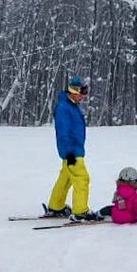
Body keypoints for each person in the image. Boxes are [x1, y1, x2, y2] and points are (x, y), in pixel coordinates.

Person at [44, 76, 99, 222]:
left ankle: (56, 206)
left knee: (66, 178)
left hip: (74, 149)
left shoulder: (71, 106)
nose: (83, 96)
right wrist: (69, 152)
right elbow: (63, 132)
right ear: (73, 91)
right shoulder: (64, 108)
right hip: (72, 151)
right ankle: (80, 211)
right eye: (82, 92)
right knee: (82, 178)